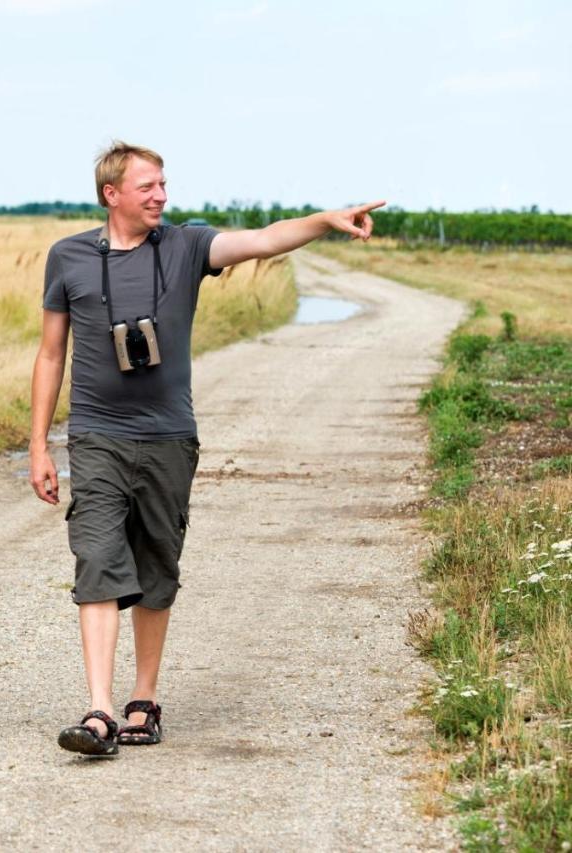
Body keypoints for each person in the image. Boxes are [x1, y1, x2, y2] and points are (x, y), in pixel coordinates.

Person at [29, 141, 382, 756]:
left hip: (168, 434)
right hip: (96, 435)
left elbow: (265, 239)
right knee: (96, 560)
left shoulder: (188, 246)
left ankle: (143, 700)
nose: (162, 196)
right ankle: (99, 711)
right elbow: (50, 354)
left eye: (164, 185)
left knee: (156, 566)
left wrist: (325, 221)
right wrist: (39, 444)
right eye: (148, 187)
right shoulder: (69, 257)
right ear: (112, 194)